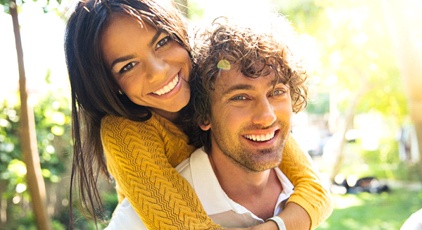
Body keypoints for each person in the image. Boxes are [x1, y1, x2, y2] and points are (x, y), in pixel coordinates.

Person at [64, 0, 333, 229]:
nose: (158, 70)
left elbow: (315, 189)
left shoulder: (211, 82)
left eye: (162, 41)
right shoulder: (125, 132)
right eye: (129, 66)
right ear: (109, 85)